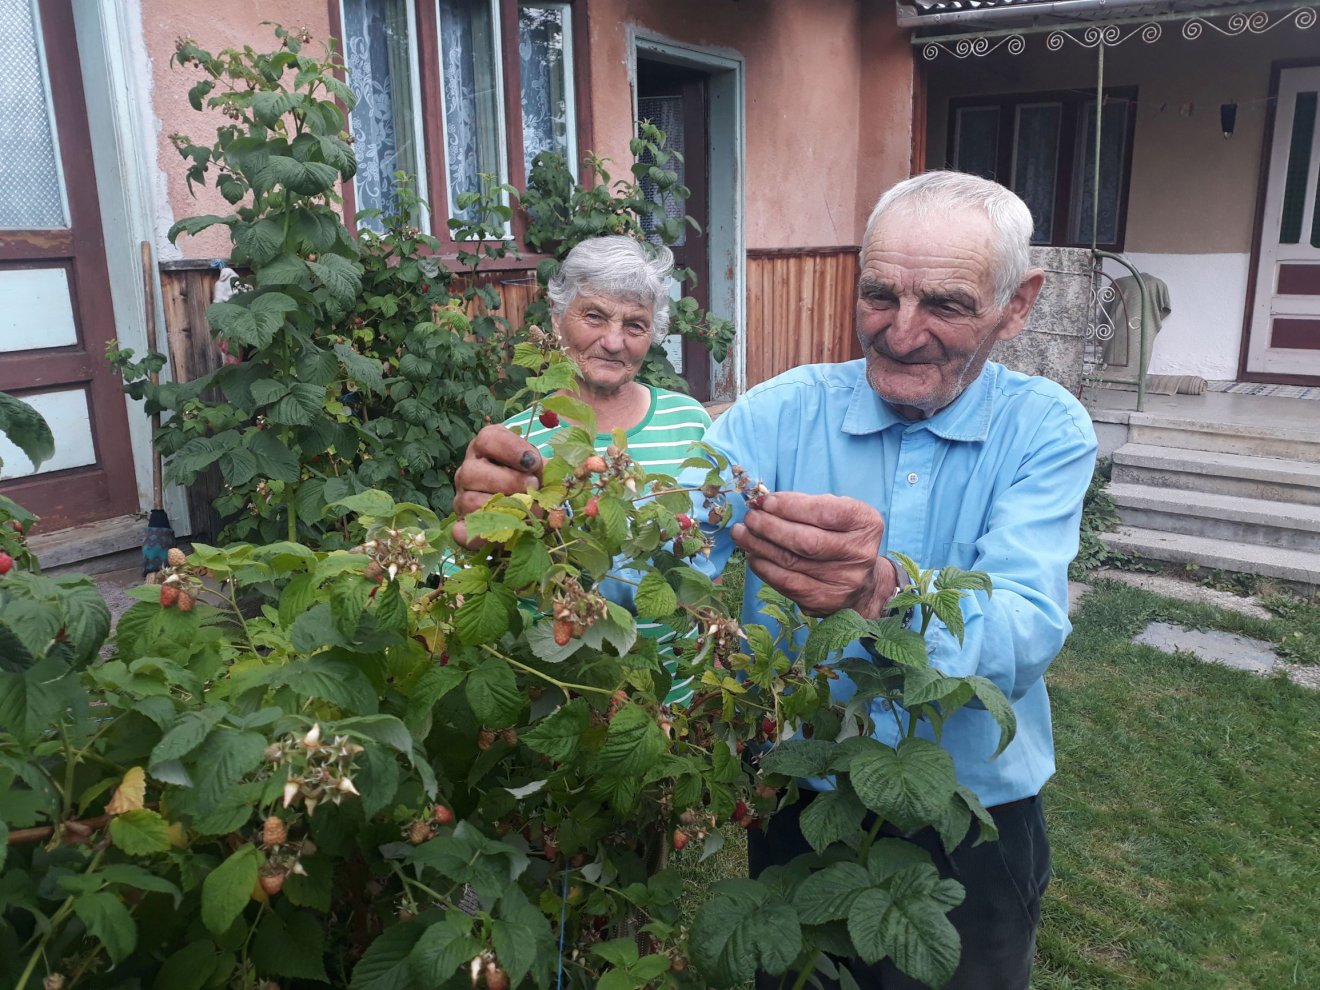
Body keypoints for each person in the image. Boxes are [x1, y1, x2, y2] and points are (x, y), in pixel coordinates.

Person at [693, 170, 1098, 989]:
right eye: (879, 295)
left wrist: (882, 590)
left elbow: (1022, 627)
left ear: (1017, 305)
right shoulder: (778, 415)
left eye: (945, 305)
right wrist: (549, 522)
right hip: (802, 796)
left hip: (965, 817)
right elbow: (659, 546)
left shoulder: (1044, 430)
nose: (901, 333)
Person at [453, 235, 712, 705]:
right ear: (556, 318)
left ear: (653, 335)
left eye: (635, 324)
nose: (613, 341)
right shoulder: (518, 437)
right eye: (593, 315)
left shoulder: (691, 421)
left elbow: (702, 553)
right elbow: (477, 559)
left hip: (669, 690)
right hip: (560, 688)